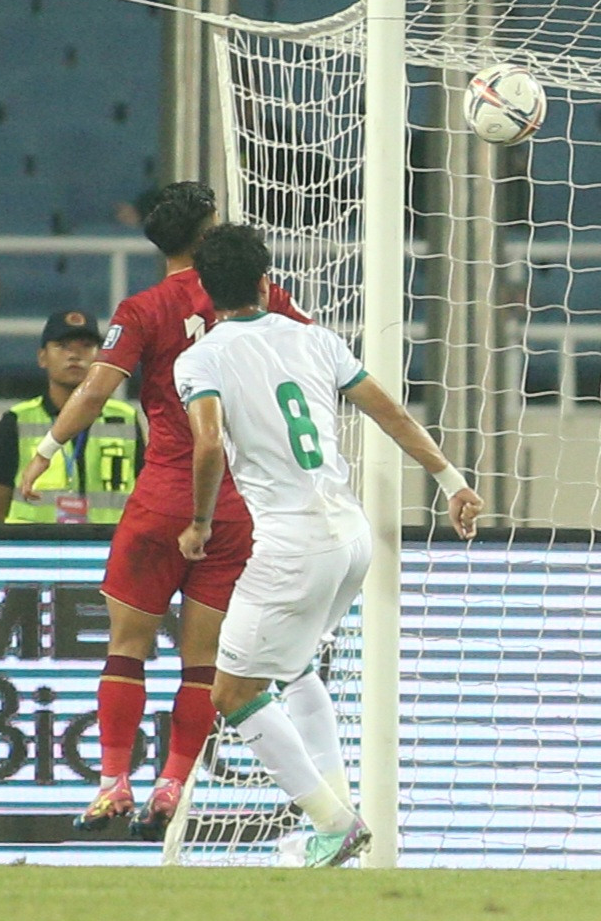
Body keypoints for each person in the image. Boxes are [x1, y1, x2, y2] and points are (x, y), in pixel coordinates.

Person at [174, 224, 484, 867]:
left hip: (292, 546)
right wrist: (451, 480)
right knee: (293, 667)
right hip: (351, 536)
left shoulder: (200, 357)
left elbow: (207, 444)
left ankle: (330, 821)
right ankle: (338, 822)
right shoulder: (317, 339)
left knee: (232, 693)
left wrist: (200, 523)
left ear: (204, 291)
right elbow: (391, 412)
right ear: (267, 282)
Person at [16, 181, 308, 839]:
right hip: (233, 506)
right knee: (203, 663)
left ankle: (113, 785)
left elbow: (94, 391)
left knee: (127, 648)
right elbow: (309, 355)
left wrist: (47, 449)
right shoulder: (260, 298)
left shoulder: (143, 307)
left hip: (160, 502)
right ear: (208, 235)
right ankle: (171, 789)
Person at [0, 311, 143, 523]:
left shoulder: (126, 420)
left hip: (107, 549)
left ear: (101, 357)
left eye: (86, 346)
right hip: (34, 553)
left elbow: (145, 496)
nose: (75, 355)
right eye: (63, 346)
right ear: (42, 357)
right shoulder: (16, 423)